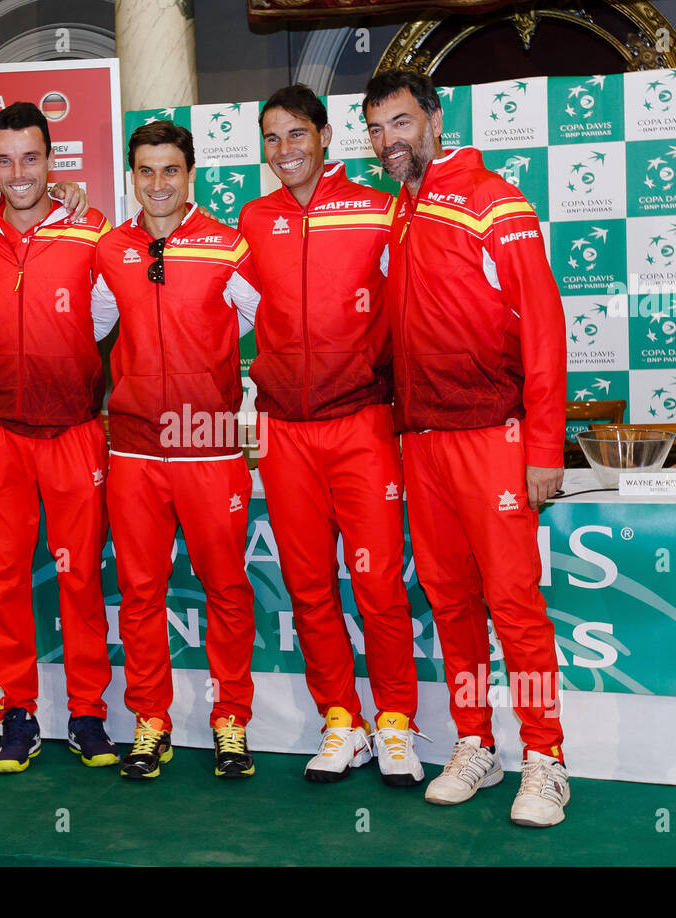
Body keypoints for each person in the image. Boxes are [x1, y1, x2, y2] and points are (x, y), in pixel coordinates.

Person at [363, 70, 571, 826]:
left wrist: (544, 444)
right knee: (450, 604)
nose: (389, 141)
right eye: (377, 129)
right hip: (422, 443)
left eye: (400, 123)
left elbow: (544, 327)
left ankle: (546, 757)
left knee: (515, 606)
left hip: (494, 438)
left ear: (435, 119)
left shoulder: (493, 199)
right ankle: (475, 743)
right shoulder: (398, 212)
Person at [238, 85, 423, 787]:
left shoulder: (379, 209)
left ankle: (397, 723)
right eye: (271, 138)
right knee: (309, 586)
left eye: (295, 135)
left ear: (325, 138)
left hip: (362, 425)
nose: (284, 151)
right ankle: (341, 721)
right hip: (284, 430)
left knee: (378, 584)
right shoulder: (253, 220)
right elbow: (195, 285)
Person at [90, 121, 261, 780]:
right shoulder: (111, 249)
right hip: (133, 446)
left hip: (210, 444)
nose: (157, 184)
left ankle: (231, 721)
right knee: (139, 591)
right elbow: (92, 328)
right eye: (145, 171)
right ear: (132, 176)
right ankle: (150, 719)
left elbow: (260, 325)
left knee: (226, 588)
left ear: (191, 175)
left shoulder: (228, 247)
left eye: (170, 171)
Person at [0, 102, 117, 774]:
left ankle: (87, 715)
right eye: (5, 159)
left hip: (74, 429)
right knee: (3, 581)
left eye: (31, 158)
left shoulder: (92, 232)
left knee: (80, 579)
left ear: (51, 160)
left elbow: (110, 320)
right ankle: (17, 714)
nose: (18, 173)